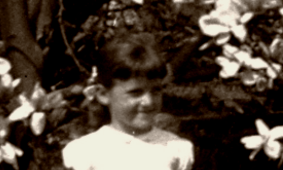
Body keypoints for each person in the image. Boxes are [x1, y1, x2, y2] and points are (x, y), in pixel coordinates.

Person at [62, 33, 194, 170]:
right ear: (103, 95)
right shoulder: (84, 152)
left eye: (156, 91)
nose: (148, 102)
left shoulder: (176, 149)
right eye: (135, 92)